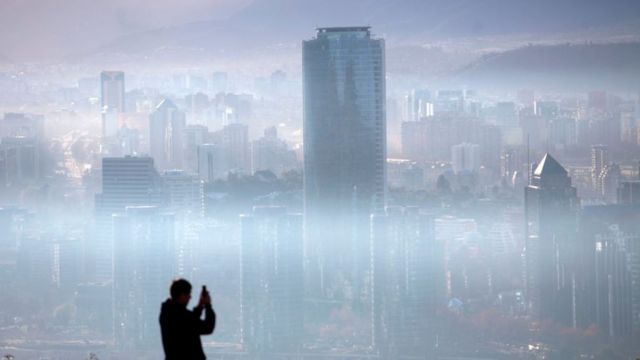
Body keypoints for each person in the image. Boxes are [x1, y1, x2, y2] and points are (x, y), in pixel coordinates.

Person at [159, 279, 216, 360]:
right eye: (188, 294)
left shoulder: (167, 312)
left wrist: (200, 306)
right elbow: (208, 327)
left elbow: (190, 325)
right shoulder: (181, 315)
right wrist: (208, 306)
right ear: (182, 295)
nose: (190, 297)